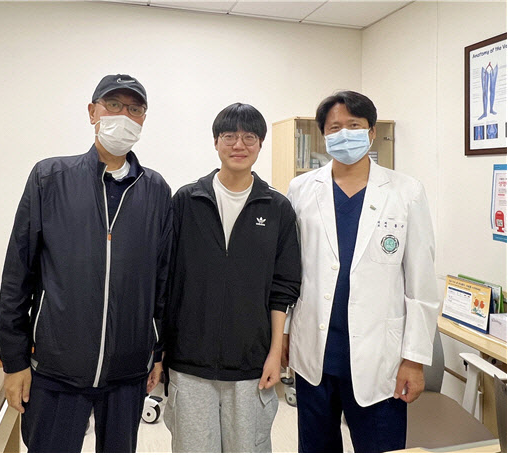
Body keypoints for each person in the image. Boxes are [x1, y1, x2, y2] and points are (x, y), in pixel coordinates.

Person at [0, 74, 172, 452]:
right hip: (57, 370)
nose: (124, 115)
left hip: (127, 372)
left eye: (135, 109)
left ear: (143, 119)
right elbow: (17, 276)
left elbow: (161, 282)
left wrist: (157, 354)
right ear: (93, 112)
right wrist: (13, 362)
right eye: (114, 105)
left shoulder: (156, 190)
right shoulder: (50, 178)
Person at [284, 91, 440, 452]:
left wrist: (414, 361)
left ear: (371, 133)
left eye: (354, 125)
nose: (344, 134)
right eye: (334, 127)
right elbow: (291, 272)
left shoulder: (406, 192)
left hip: (380, 360)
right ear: (324, 135)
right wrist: (287, 335)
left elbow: (420, 285)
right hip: (315, 354)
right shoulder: (301, 189)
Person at [163, 103, 301, 452]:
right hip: (190, 362)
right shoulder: (186, 201)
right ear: (216, 142)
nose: (239, 145)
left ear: (260, 143)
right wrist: (160, 352)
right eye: (229, 136)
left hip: (251, 364)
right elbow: (166, 280)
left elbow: (283, 288)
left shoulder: (277, 208)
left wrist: (275, 354)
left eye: (249, 137)